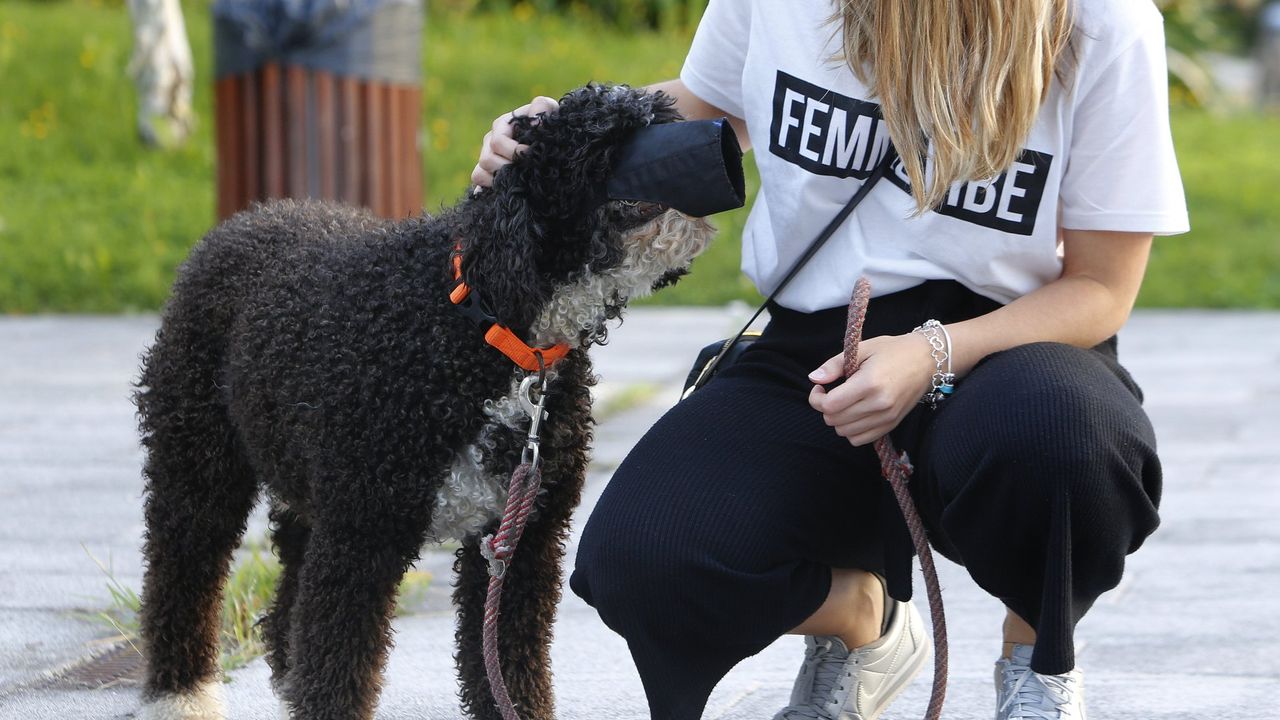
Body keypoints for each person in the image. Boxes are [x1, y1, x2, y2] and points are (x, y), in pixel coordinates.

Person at [472, 0, 1188, 717]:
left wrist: (930, 353)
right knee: (644, 560)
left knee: (1061, 437)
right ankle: (863, 621)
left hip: (1010, 350)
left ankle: (1036, 658)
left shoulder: (1102, 24)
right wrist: (552, 136)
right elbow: (708, 107)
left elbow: (1101, 286)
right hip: (813, 348)